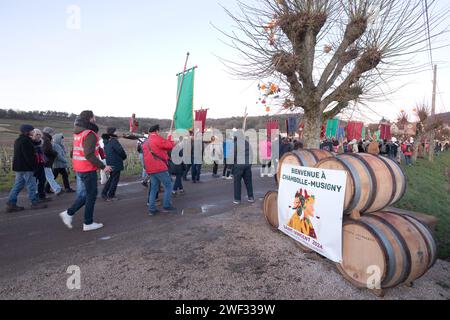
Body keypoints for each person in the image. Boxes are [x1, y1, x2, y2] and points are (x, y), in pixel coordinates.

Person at [59, 111, 112, 232]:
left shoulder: (78, 132)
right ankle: (87, 222)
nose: (95, 118)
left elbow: (75, 152)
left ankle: (69, 213)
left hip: (80, 168)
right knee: (91, 195)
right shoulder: (90, 134)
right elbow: (88, 154)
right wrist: (103, 166)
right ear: (89, 119)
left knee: (89, 194)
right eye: (93, 116)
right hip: (87, 168)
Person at [6, 125, 47, 213]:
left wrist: (37, 140)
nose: (33, 132)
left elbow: (34, 143)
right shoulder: (25, 141)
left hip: (19, 167)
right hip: (26, 167)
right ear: (26, 131)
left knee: (18, 185)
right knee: (31, 185)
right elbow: (29, 156)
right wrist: (34, 167)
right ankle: (34, 203)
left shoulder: (20, 140)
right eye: (32, 131)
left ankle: (11, 203)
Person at [143, 125, 176, 215]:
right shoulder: (157, 139)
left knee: (154, 188)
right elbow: (170, 146)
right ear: (157, 131)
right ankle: (167, 205)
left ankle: (152, 209)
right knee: (168, 186)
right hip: (160, 167)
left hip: (150, 169)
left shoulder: (146, 142)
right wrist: (170, 137)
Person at [101, 128, 127, 201]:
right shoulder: (113, 141)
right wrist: (124, 157)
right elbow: (120, 150)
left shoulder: (106, 141)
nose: (117, 132)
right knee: (115, 179)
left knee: (111, 178)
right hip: (116, 161)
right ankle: (111, 195)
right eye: (116, 131)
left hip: (110, 162)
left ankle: (104, 193)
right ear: (112, 133)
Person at [232, 135, 254, 205]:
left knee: (237, 183)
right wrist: (249, 164)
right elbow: (252, 154)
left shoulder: (235, 144)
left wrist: (231, 166)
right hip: (247, 165)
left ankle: (237, 199)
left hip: (238, 166)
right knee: (248, 182)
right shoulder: (247, 143)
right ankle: (251, 197)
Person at [42, 127, 63, 196]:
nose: (53, 134)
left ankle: (55, 189)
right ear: (49, 132)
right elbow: (47, 150)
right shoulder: (46, 139)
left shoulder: (44, 138)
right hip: (46, 161)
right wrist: (55, 153)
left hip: (44, 161)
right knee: (49, 176)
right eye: (52, 132)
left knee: (48, 176)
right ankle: (57, 189)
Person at [32, 129, 50, 202]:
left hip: (41, 164)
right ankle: (34, 196)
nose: (38, 136)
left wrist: (45, 160)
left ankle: (41, 195)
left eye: (39, 134)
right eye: (36, 134)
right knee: (33, 181)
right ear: (33, 135)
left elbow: (42, 154)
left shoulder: (40, 143)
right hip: (34, 165)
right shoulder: (30, 143)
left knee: (42, 180)